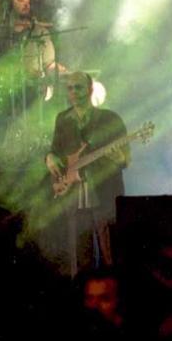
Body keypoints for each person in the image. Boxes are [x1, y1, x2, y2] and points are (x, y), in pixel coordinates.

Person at [45, 71, 129, 272]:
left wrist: (119, 158)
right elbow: (55, 150)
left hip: (104, 194)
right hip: (74, 195)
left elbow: (126, 159)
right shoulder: (62, 119)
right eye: (70, 88)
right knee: (81, 259)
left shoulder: (110, 118)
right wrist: (49, 157)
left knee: (111, 256)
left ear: (91, 90)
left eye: (78, 87)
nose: (73, 92)